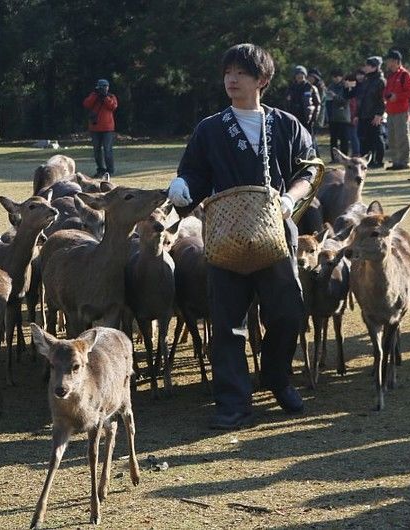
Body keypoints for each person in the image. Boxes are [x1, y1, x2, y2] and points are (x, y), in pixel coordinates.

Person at [167, 43, 317, 429]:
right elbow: (195, 173)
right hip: (225, 236)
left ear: (262, 80)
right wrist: (183, 185)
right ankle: (233, 402)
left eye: (241, 73)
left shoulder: (287, 124)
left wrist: (290, 199)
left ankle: (277, 379)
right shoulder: (210, 129)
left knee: (287, 312)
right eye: (227, 73)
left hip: (276, 232)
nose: (231, 80)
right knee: (227, 320)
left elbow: (311, 169)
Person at [383, 50, 410, 170]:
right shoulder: (390, 75)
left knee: (402, 136)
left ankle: (404, 161)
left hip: (401, 110)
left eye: (389, 60)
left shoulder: (405, 75)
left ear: (396, 61)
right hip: (390, 111)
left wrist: (397, 96)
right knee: (392, 137)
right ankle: (396, 161)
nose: (387, 63)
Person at [82, 79, 118, 178]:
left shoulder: (111, 96)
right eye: (101, 87)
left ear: (107, 87)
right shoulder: (94, 96)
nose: (103, 89)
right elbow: (86, 104)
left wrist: (105, 97)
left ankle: (110, 170)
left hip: (107, 128)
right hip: (95, 128)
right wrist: (95, 95)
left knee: (107, 150)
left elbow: (113, 106)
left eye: (104, 87)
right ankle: (100, 169)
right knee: (96, 151)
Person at [359, 56, 386, 168]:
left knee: (377, 138)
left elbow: (382, 99)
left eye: (368, 65)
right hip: (364, 114)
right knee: (366, 140)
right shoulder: (367, 80)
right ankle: (368, 161)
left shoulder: (380, 81)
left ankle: (379, 161)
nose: (365, 67)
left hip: (375, 115)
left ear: (374, 67)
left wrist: (379, 114)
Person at [327, 69, 359, 155]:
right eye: (334, 77)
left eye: (337, 76)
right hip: (333, 116)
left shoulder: (345, 86)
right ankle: (334, 157)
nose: (336, 78)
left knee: (344, 138)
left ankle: (344, 156)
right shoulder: (330, 87)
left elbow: (345, 101)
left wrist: (334, 96)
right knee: (333, 139)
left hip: (343, 116)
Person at [285, 65, 321, 140]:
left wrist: (313, 118)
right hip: (294, 118)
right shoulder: (291, 88)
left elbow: (317, 104)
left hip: (307, 119)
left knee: (308, 140)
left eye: (302, 74)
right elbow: (286, 102)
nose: (300, 76)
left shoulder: (311, 87)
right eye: (297, 74)